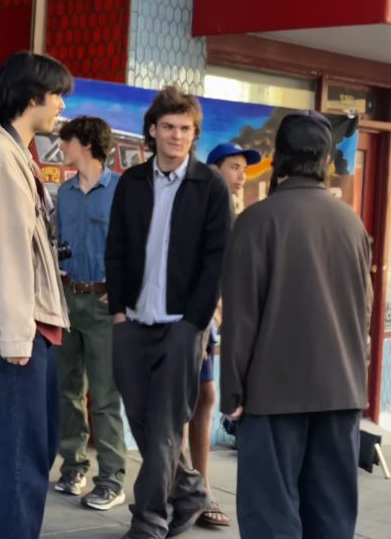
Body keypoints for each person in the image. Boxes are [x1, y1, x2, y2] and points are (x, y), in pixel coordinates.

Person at [220, 111, 371, 539]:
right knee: (332, 514)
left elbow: (241, 316)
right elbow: (363, 312)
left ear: (279, 158)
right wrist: (356, 384)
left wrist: (234, 391)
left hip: (272, 393)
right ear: (325, 160)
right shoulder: (352, 224)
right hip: (340, 390)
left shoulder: (256, 221)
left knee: (270, 513)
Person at [105, 86, 232, 539]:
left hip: (183, 325)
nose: (177, 136)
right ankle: (192, 487)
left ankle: (150, 520)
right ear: (153, 131)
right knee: (139, 414)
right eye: (169, 127)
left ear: (194, 134)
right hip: (132, 321)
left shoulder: (211, 186)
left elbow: (218, 260)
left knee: (163, 424)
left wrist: (195, 324)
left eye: (185, 129)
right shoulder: (132, 183)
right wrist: (118, 311)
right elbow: (116, 249)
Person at [0, 51, 72, 539]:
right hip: (16, 332)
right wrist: (18, 338)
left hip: (25, 327)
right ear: (32, 98)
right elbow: (5, 251)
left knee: (25, 455)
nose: (62, 106)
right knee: (16, 463)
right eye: (57, 96)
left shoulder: (12, 152)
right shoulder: (0, 158)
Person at [52, 116, 126, 511]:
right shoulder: (63, 193)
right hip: (68, 300)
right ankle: (73, 468)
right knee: (68, 391)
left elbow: (135, 246)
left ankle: (112, 479)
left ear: (86, 144)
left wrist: (119, 292)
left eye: (67, 142)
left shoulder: (121, 190)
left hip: (103, 304)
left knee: (105, 397)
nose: (62, 148)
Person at [185, 142, 260, 528]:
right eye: (234, 166)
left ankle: (199, 488)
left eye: (243, 169)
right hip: (186, 321)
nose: (240, 175)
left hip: (212, 323)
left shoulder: (234, 210)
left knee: (205, 398)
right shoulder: (197, 205)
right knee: (185, 402)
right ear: (214, 169)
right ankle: (184, 490)